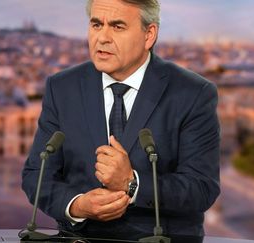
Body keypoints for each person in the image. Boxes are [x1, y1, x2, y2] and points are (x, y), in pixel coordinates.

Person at [22, 0, 220, 240]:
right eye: (96, 24)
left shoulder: (192, 93)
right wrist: (77, 205)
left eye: (117, 27)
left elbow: (201, 188)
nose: (102, 37)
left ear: (149, 35)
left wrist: (132, 184)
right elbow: (37, 175)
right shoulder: (62, 88)